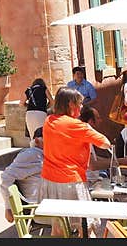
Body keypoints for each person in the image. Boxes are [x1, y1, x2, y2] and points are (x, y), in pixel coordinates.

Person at [41, 87, 113, 237]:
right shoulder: (78, 126)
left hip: (49, 180)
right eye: (79, 103)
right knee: (87, 225)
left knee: (58, 227)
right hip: (71, 180)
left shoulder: (48, 121)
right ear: (70, 104)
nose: (81, 107)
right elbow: (105, 143)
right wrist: (86, 134)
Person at [0, 127, 46, 228]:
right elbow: (6, 177)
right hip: (38, 210)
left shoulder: (45, 155)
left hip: (45, 206)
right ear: (37, 141)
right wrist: (9, 208)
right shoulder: (32, 154)